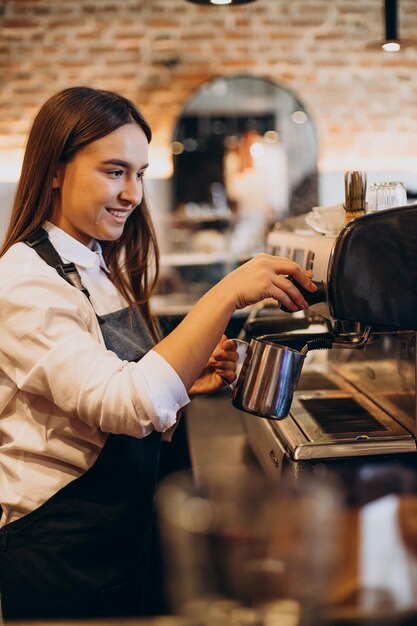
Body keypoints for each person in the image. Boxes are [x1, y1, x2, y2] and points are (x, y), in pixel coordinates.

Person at [0, 86, 317, 623]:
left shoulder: (96, 264)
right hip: (60, 551)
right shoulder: (24, 283)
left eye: (141, 174)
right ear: (55, 171)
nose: (133, 194)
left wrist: (189, 377)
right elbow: (127, 403)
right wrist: (226, 293)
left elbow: (114, 381)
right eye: (114, 171)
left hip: (120, 534)